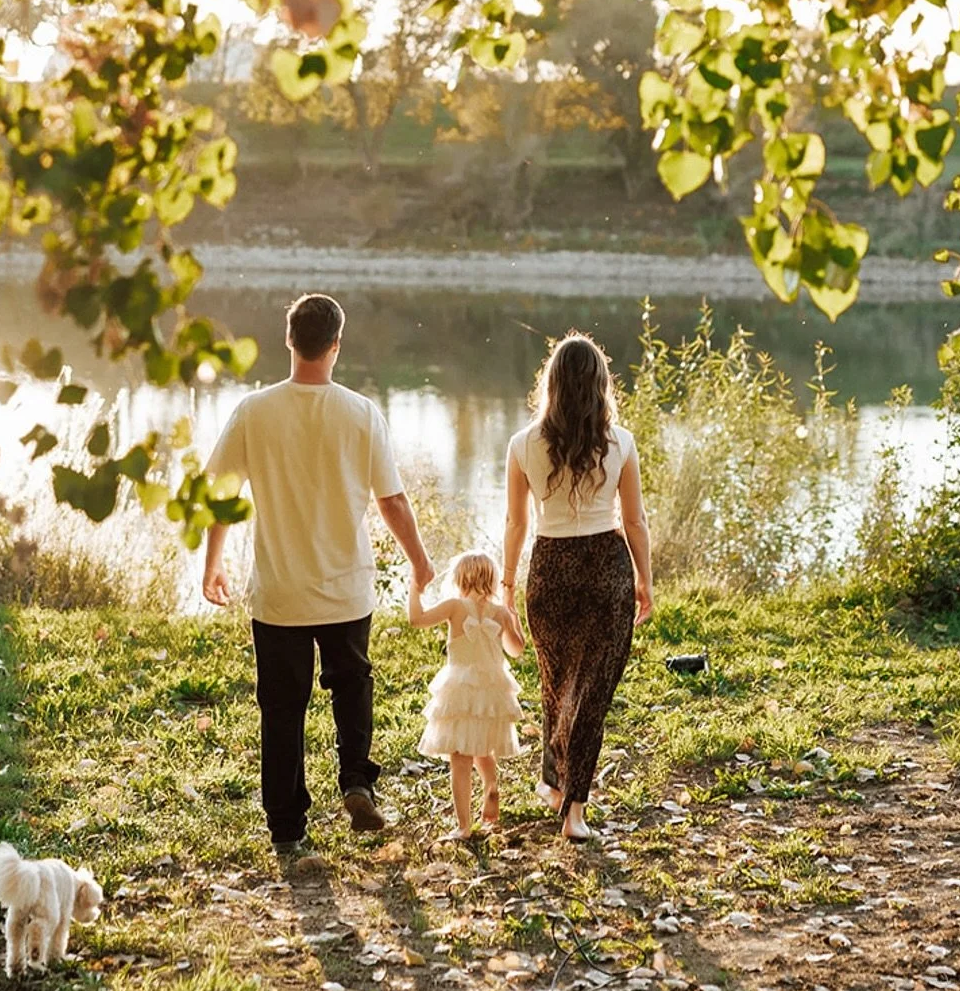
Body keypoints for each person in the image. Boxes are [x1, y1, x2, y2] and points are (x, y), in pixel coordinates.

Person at [200, 291, 434, 850]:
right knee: (352, 687)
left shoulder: (254, 411)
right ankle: (356, 780)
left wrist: (212, 564)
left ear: (289, 340)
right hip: (346, 589)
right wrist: (420, 563)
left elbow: (220, 495)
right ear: (336, 345)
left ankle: (287, 827)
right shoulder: (361, 413)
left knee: (282, 708)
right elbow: (392, 501)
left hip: (279, 593)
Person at [502, 331, 652, 842]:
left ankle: (555, 785)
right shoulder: (621, 442)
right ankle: (574, 811)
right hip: (605, 570)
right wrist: (645, 579)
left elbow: (516, 524)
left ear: (551, 384)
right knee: (589, 694)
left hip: (550, 569)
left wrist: (507, 585)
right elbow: (635, 522)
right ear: (601, 384)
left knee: (559, 685)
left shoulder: (522, 444)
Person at [408, 550, 526, 840]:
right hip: (493, 688)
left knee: (460, 757)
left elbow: (417, 619)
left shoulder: (454, 606)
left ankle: (463, 825)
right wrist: (513, 614)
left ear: (459, 579)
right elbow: (516, 650)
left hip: (460, 686)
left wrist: (415, 588)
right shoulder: (499, 612)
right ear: (493, 580)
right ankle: (491, 785)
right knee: (483, 744)